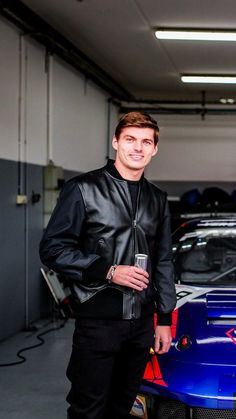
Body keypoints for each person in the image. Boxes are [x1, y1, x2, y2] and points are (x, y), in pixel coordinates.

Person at [39, 111, 176, 419]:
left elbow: (164, 260)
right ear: (116, 142)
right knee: (89, 409)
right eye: (130, 139)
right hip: (97, 323)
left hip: (141, 325)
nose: (137, 148)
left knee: (123, 407)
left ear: (154, 149)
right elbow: (52, 248)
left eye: (146, 142)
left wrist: (164, 318)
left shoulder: (158, 198)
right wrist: (109, 270)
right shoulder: (83, 189)